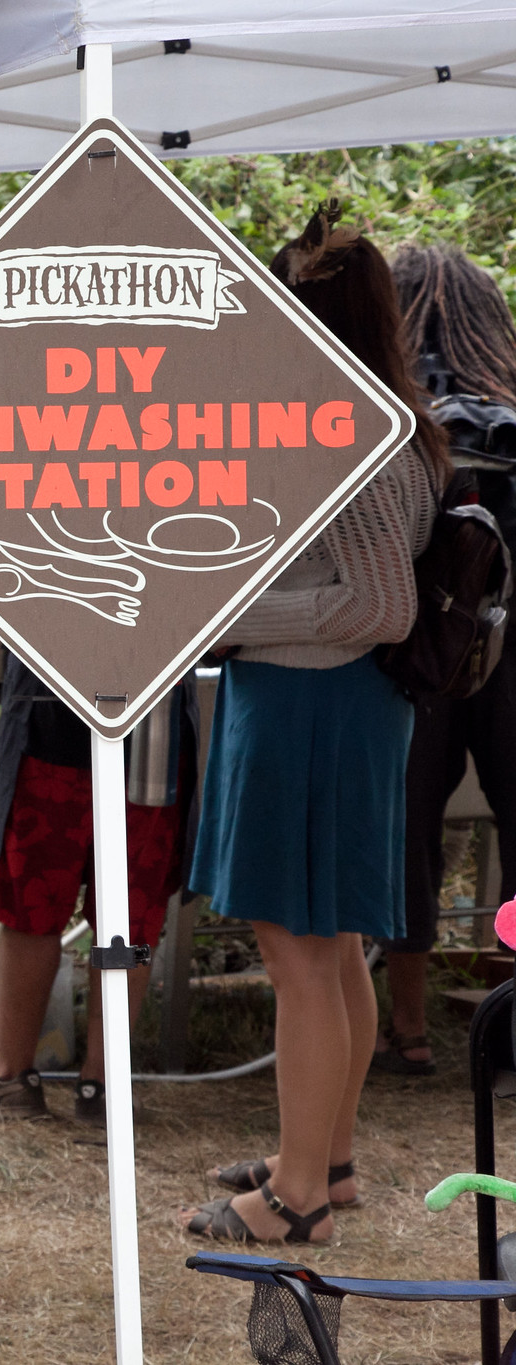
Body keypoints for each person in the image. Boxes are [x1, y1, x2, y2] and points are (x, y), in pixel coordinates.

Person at [178, 212, 448, 1246]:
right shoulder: (374, 421)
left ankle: (294, 1201)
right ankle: (324, 1162)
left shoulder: (353, 435)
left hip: (313, 709)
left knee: (300, 955)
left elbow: (382, 606)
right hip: (326, 707)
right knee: (330, 950)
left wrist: (230, 618)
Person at [374, 243, 516, 1076]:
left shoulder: (399, 415)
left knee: (408, 832)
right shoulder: (508, 407)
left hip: (421, 650)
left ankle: (410, 1028)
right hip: (511, 650)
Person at [0, 656, 188, 1123]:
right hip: (139, 731)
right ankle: (102, 1085)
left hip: (78, 727)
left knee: (39, 912)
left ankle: (15, 1078)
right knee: (124, 922)